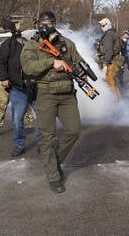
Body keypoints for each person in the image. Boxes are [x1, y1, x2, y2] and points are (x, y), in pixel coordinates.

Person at [20, 11, 83, 193]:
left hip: (67, 93)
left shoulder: (67, 43)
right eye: (41, 23)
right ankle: (53, 176)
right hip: (45, 92)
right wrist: (51, 62)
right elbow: (28, 68)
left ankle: (54, 162)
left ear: (55, 23)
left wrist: (81, 70)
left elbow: (78, 61)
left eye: (48, 22)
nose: (44, 26)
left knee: (74, 130)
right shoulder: (32, 45)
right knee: (48, 137)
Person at [0, 21, 39, 157]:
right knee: (17, 119)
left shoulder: (38, 43)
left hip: (36, 87)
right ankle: (19, 144)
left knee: (42, 118)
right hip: (19, 88)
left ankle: (43, 143)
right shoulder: (8, 45)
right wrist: (4, 77)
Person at [95, 18, 122, 100]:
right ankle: (120, 103)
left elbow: (109, 51)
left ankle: (115, 104)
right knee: (113, 83)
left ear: (108, 24)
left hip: (110, 62)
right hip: (113, 60)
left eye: (103, 25)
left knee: (109, 83)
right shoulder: (113, 33)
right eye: (101, 25)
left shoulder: (108, 35)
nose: (101, 27)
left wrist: (105, 64)